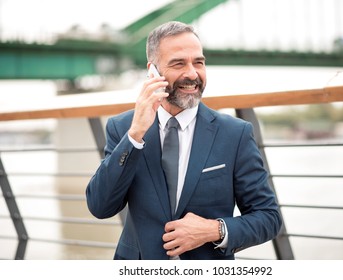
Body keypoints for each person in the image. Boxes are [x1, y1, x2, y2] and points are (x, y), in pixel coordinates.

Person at [86, 21, 282, 260]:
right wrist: (135, 135)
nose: (192, 73)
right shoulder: (123, 128)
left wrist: (214, 230)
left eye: (198, 62)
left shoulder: (235, 133)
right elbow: (100, 206)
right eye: (179, 63)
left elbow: (269, 218)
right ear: (153, 72)